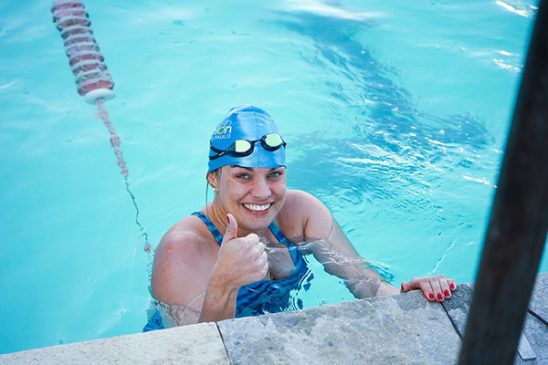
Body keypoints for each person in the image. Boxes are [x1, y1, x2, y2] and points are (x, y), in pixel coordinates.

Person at [146, 105, 456, 329]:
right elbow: (195, 355)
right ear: (214, 179)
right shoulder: (182, 252)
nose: (263, 193)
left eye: (275, 174)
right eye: (243, 177)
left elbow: (366, 284)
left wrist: (406, 294)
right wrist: (222, 286)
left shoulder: (301, 213)